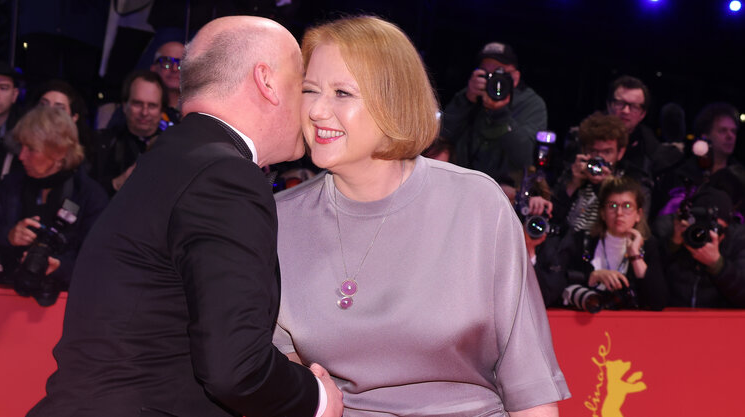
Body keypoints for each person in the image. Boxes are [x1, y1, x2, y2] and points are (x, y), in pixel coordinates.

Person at [27, 16, 343, 417]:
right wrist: (316, 398)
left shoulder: (172, 160)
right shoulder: (224, 175)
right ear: (266, 81)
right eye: (302, 84)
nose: (310, 105)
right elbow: (235, 368)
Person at [273, 16, 569, 416]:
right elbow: (281, 376)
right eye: (310, 90)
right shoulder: (278, 219)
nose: (318, 109)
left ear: (395, 102)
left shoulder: (476, 204)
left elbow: (529, 383)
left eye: (342, 93)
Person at [0, 106, 108, 297]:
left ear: (59, 151)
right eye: (21, 147)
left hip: (64, 303)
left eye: (31, 149)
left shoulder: (89, 196)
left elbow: (98, 263)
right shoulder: (10, 186)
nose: (22, 156)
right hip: (5, 296)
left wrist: (59, 267)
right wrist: (9, 236)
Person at [536, 177, 667, 310]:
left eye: (627, 206)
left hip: (631, 326)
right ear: (602, 213)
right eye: (612, 206)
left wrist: (635, 255)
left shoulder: (649, 246)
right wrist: (592, 276)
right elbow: (557, 285)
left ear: (638, 214)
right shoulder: (582, 241)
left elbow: (657, 302)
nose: (619, 213)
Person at [440, 41, 547, 181]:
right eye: (486, 73)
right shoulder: (469, 95)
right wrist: (466, 100)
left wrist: (500, 113)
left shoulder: (532, 104)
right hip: (461, 183)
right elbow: (441, 137)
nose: (494, 80)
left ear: (515, 77)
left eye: (499, 72)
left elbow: (525, 156)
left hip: (504, 192)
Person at [552, 112, 652, 234]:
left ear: (620, 153)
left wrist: (604, 186)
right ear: (584, 150)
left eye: (607, 152)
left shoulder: (633, 180)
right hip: (568, 245)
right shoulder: (573, 173)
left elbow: (635, 226)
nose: (599, 158)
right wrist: (572, 185)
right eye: (593, 151)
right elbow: (554, 218)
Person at [656, 187, 745, 308]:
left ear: (727, 229)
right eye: (701, 224)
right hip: (674, 319)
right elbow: (650, 287)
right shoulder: (673, 232)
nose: (706, 234)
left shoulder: (738, 242)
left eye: (714, 228)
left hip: (719, 322)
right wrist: (673, 245)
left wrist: (717, 265)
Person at [91, 70, 167, 196]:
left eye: (152, 106)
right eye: (137, 104)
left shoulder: (173, 148)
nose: (144, 112)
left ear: (161, 110)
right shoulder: (100, 143)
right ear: (124, 106)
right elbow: (83, 197)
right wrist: (116, 183)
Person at [31, 79, 96, 162]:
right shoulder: (21, 146)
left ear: (74, 118)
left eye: (59, 109)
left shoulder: (79, 159)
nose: (48, 113)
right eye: (43, 105)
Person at [150, 40, 184, 122]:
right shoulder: (139, 106)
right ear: (153, 68)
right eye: (167, 62)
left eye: (181, 63)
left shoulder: (199, 110)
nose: (175, 69)